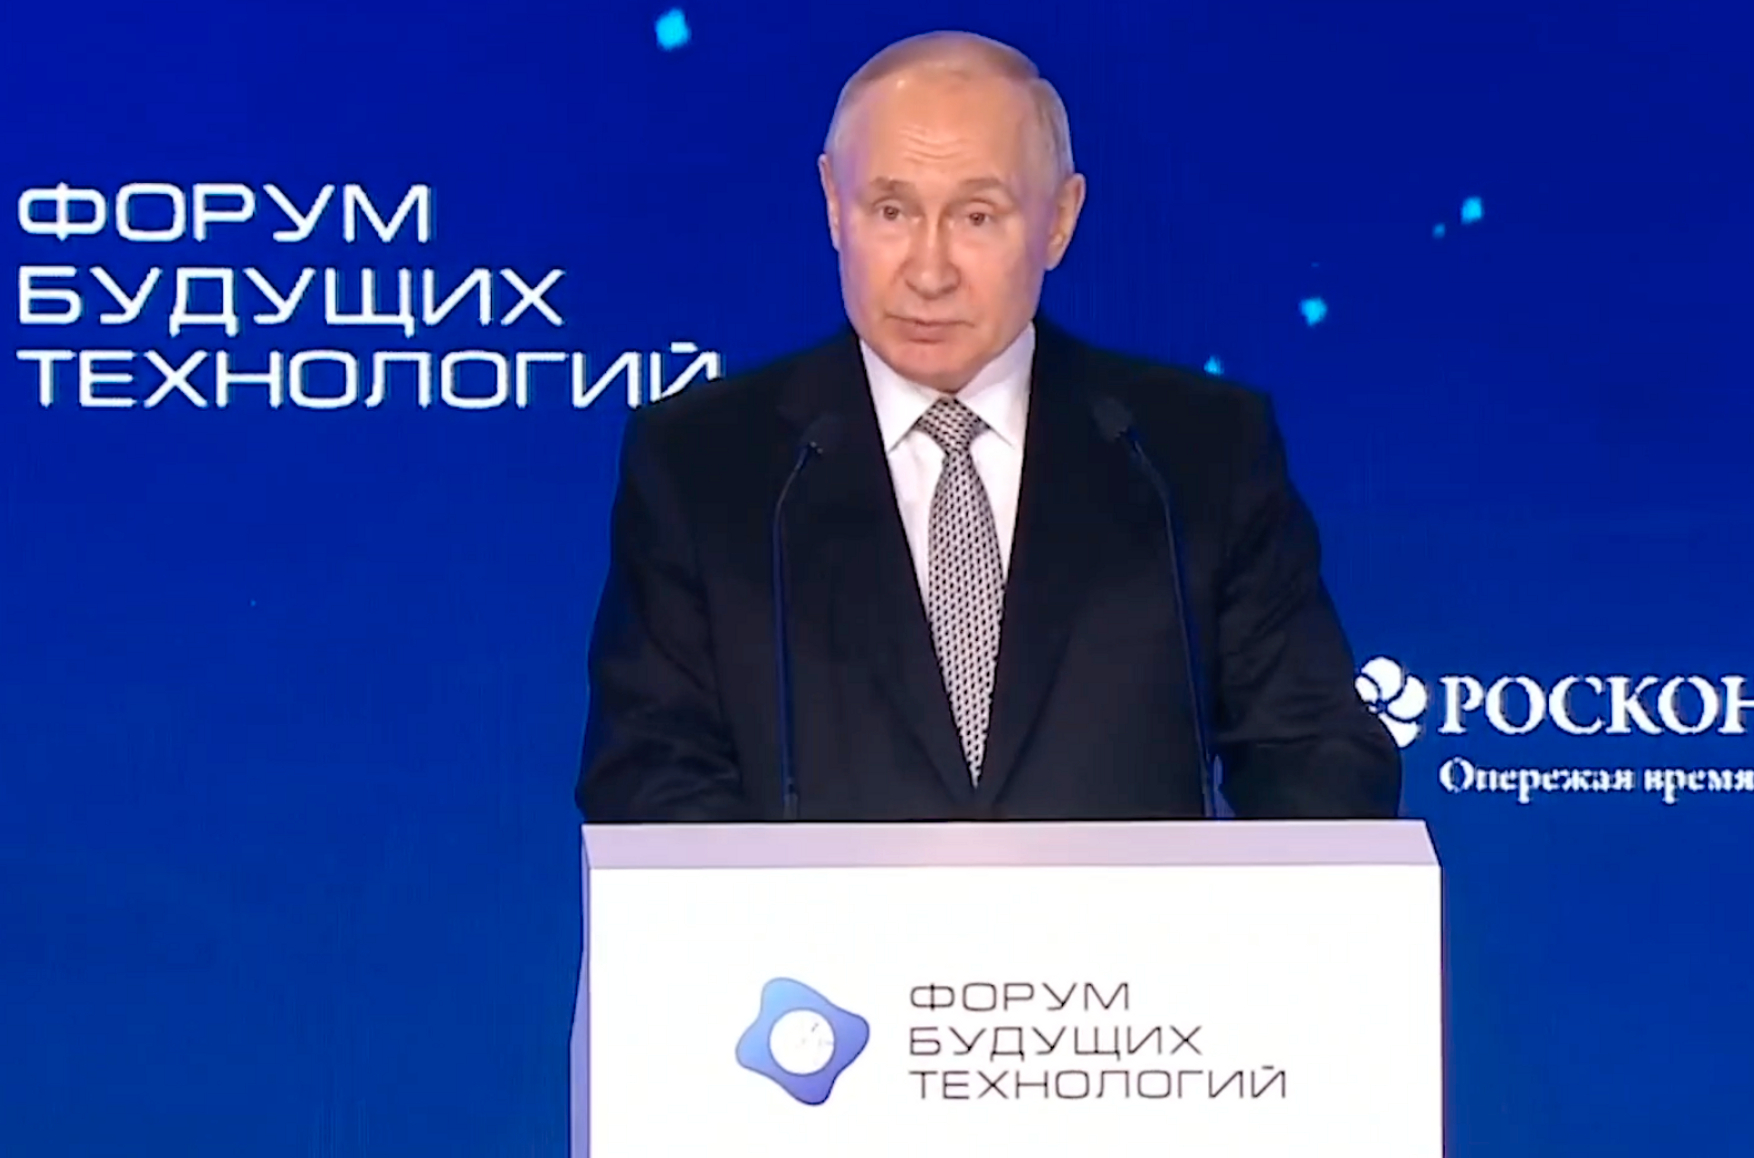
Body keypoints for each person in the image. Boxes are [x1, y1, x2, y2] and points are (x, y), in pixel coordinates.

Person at [576, 30, 1401, 822]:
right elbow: (649, 779)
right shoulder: (702, 464)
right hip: (803, 934)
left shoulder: (1196, 454)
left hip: (1126, 931)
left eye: (976, 217)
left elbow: (1316, 756)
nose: (929, 271)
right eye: (891, 210)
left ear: (1060, 220)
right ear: (832, 204)